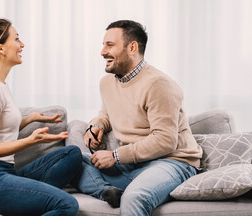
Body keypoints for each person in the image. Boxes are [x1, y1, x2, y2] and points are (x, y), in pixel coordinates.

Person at [71, 20, 203, 216]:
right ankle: (107, 191)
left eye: (110, 45)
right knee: (71, 160)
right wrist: (97, 126)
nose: (102, 52)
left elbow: (165, 141)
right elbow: (106, 114)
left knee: (134, 197)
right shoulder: (107, 83)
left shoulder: (159, 85)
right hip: (132, 165)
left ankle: (124, 192)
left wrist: (115, 156)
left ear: (132, 48)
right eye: (103, 44)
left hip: (171, 162)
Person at [0, 18, 82, 216]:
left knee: (72, 154)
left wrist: (29, 119)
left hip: (3, 172)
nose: (22, 45)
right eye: (17, 39)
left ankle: (29, 198)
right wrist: (31, 140)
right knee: (67, 205)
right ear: (0, 48)